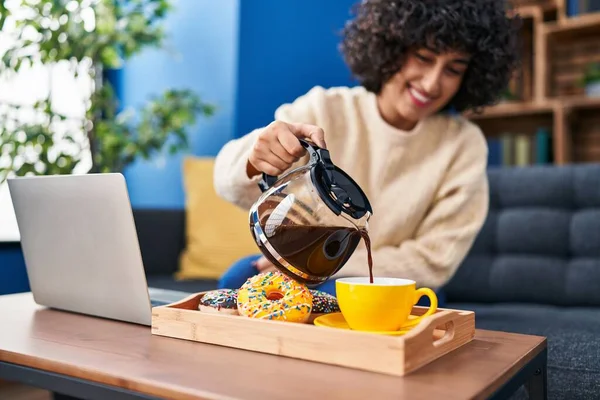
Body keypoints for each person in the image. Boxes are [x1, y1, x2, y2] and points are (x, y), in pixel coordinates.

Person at [213, 0, 521, 302]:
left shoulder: (462, 145)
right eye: (424, 57)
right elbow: (226, 182)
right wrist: (255, 160)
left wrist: (329, 265)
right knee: (237, 279)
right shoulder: (326, 108)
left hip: (391, 280)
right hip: (308, 262)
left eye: (453, 70)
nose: (431, 84)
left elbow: (435, 259)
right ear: (391, 45)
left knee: (342, 298)